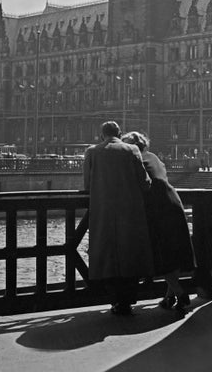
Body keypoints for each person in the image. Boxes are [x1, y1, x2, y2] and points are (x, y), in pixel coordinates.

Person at [83, 121, 154, 316]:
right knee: (129, 255)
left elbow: (87, 185)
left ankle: (114, 299)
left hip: (103, 213)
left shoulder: (92, 152)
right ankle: (127, 300)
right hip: (130, 213)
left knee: (106, 255)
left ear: (101, 135)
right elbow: (145, 182)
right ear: (119, 133)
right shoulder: (131, 150)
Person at [122, 131, 196, 312]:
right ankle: (169, 297)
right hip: (174, 202)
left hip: (157, 208)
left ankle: (180, 293)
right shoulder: (154, 157)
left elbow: (135, 184)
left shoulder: (134, 159)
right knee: (174, 252)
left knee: (160, 253)